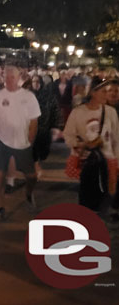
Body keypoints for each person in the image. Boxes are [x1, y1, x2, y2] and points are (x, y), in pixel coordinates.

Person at [0, 66, 41, 221]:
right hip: (3, 141)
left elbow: (34, 120)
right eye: (7, 77)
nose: (9, 80)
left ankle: (29, 194)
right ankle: (0, 206)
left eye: (12, 77)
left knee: (31, 175)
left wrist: (30, 139)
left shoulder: (29, 97)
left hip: (23, 143)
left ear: (18, 78)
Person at [64, 79, 119, 214]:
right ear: (93, 92)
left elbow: (116, 138)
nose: (107, 95)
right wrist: (81, 145)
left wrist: (118, 159)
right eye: (103, 91)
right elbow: (68, 135)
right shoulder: (78, 112)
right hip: (88, 161)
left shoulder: (110, 112)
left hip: (108, 160)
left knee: (107, 193)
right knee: (87, 194)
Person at [23, 75, 63, 178]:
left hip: (45, 128)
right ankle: (35, 167)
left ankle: (38, 162)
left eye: (38, 82)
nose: (36, 84)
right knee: (33, 150)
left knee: (44, 152)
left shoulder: (49, 96)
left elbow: (55, 111)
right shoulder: (27, 96)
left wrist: (55, 126)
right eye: (34, 81)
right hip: (31, 128)